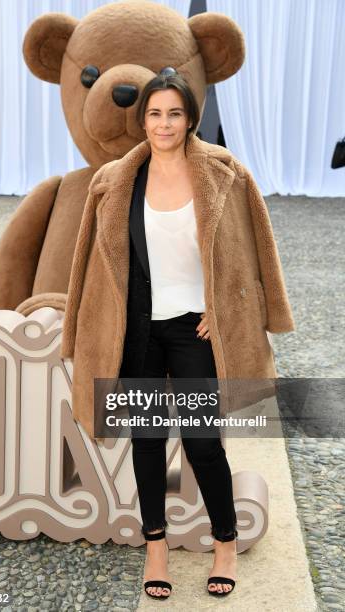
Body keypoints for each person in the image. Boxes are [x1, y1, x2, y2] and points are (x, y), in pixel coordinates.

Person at [118, 74, 238, 600]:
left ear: (190, 118)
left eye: (173, 113)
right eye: (154, 114)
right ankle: (156, 547)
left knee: (202, 444)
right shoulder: (120, 179)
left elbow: (245, 251)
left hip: (194, 327)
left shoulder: (219, 174)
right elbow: (98, 264)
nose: (163, 124)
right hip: (139, 330)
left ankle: (226, 542)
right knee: (147, 442)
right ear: (142, 120)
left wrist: (224, 304)